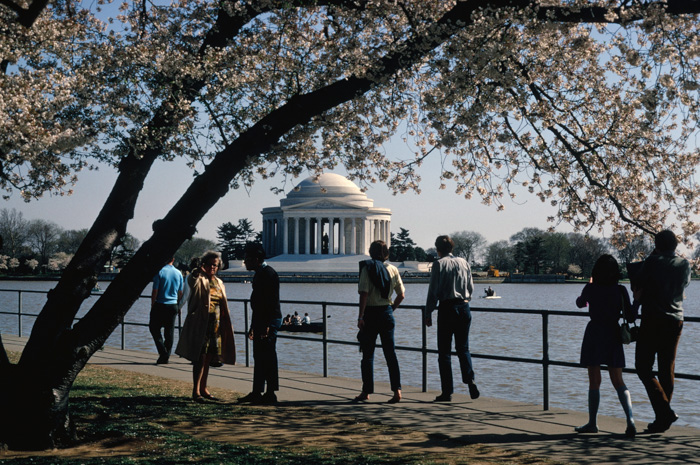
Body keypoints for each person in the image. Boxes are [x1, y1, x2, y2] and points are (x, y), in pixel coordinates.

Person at [633, 229, 691, 433]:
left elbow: (638, 283)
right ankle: (662, 419)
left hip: (652, 319)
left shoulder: (652, 262)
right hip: (675, 320)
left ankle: (664, 412)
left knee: (642, 367)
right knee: (667, 368)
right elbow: (684, 285)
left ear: (657, 245)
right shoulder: (684, 264)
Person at [574, 254, 636, 437]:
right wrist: (638, 299)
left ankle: (592, 423)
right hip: (613, 334)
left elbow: (580, 303)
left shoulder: (591, 288)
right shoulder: (620, 290)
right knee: (618, 381)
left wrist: (587, 289)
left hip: (594, 333)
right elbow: (631, 316)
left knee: (594, 382)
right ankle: (630, 419)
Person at [175, 251, 236, 402]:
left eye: (215, 265)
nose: (212, 267)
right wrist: (196, 271)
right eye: (209, 264)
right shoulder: (197, 278)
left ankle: (204, 388)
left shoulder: (219, 282)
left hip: (215, 325)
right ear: (204, 265)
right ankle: (196, 391)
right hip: (200, 324)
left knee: (209, 358)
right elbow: (192, 281)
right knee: (199, 358)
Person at [424, 235, 479, 402]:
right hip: (464, 307)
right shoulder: (464, 262)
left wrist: (428, 312)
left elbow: (433, 291)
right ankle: (469, 379)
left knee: (444, 352)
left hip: (447, 308)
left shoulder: (438, 264)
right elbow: (471, 287)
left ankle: (447, 391)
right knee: (463, 348)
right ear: (452, 248)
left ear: (438, 249)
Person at [354, 240, 405, 404]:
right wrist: (391, 309)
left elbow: (364, 293)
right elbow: (401, 295)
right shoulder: (393, 269)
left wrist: (360, 316)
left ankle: (366, 391)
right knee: (390, 354)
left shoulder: (367, 268)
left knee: (367, 355)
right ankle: (397, 391)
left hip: (370, 314)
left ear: (371, 251)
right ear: (386, 253)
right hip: (386, 313)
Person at [238, 243, 283, 405]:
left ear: (256, 260)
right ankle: (257, 391)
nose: (245, 263)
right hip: (260, 320)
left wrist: (268, 325)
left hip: (268, 321)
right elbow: (257, 304)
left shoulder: (268, 273)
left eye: (247, 260)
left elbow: (271, 301)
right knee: (259, 357)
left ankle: (270, 393)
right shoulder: (260, 273)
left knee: (269, 357)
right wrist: (252, 326)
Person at [149, 257, 184, 364]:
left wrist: (152, 304)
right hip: (173, 305)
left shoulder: (159, 272)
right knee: (169, 332)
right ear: (173, 259)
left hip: (160, 304)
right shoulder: (178, 273)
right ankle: (166, 355)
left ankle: (162, 352)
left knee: (154, 328)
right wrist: (179, 306)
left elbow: (155, 290)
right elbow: (180, 292)